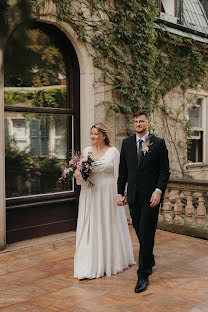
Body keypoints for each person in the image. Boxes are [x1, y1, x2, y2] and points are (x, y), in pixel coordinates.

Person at [117, 109, 170, 293]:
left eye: (141, 121)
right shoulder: (126, 144)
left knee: (146, 233)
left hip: (151, 198)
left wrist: (158, 191)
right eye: (136, 121)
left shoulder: (159, 144)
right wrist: (119, 192)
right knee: (140, 231)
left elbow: (164, 172)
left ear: (148, 122)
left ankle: (143, 274)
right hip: (132, 196)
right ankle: (149, 257)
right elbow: (123, 171)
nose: (138, 124)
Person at [74, 123, 135, 279]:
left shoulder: (113, 152)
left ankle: (111, 260)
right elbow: (81, 173)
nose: (93, 136)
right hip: (90, 193)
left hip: (108, 192)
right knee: (91, 224)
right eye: (91, 133)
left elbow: (119, 175)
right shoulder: (86, 151)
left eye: (95, 134)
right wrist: (78, 176)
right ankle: (90, 261)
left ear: (103, 135)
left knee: (108, 223)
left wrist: (120, 195)